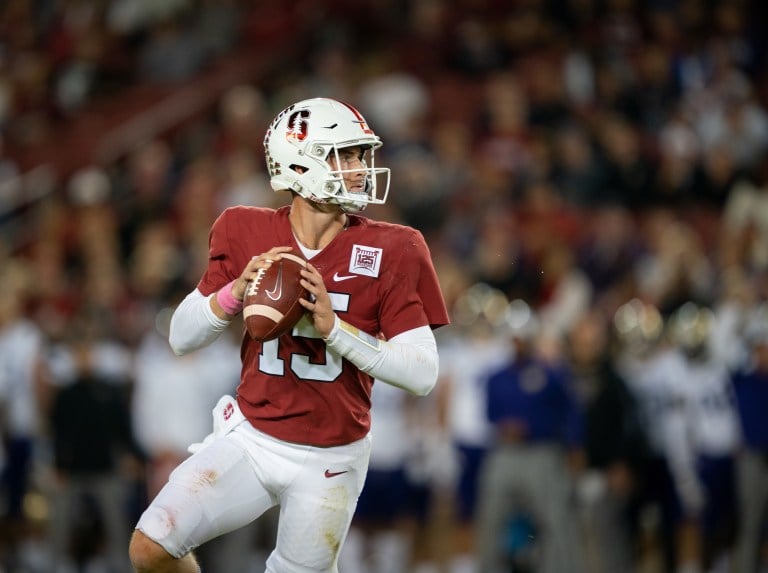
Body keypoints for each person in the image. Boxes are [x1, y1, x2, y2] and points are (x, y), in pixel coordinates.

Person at [128, 97, 450, 573]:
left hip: (331, 458)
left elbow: (422, 374)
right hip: (252, 437)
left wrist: (334, 330)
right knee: (151, 546)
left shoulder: (396, 247)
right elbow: (181, 336)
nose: (360, 169)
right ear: (300, 161)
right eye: (345, 155)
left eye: (361, 155)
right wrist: (234, 294)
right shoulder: (244, 228)